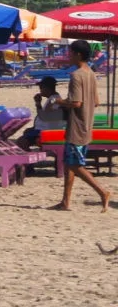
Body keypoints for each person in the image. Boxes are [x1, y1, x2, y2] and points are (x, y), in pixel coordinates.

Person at [53, 39, 110, 211]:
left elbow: (76, 102)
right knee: (71, 163)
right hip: (87, 124)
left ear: (78, 54)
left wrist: (60, 102)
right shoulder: (91, 73)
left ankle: (102, 192)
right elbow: (96, 102)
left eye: (70, 53)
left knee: (74, 165)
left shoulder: (76, 75)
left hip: (76, 126)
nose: (68, 56)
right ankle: (65, 201)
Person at [18, 76, 65, 150]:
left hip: (46, 131)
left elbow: (44, 116)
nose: (40, 90)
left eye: (41, 88)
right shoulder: (53, 98)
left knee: (21, 141)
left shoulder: (53, 100)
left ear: (47, 88)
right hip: (44, 129)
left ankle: (29, 159)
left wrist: (38, 103)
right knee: (27, 132)